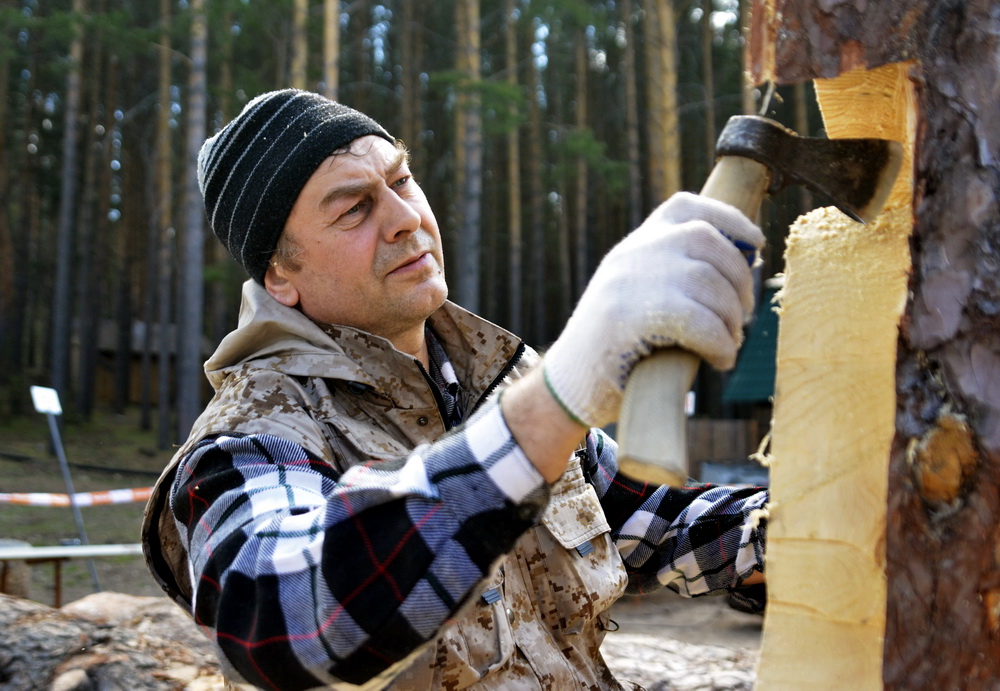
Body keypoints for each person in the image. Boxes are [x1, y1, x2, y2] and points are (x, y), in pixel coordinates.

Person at [141, 88, 769, 691]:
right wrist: (557, 399)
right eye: (354, 208)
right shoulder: (251, 440)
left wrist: (787, 531)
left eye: (402, 180)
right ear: (281, 275)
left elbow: (655, 521)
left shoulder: (495, 380)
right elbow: (280, 619)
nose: (406, 218)